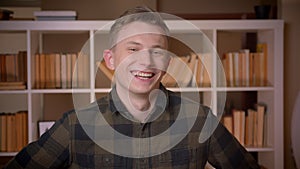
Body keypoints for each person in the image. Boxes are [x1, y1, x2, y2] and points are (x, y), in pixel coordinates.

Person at [4, 6, 260, 169]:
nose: (146, 61)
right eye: (133, 49)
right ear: (110, 59)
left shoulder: (200, 121)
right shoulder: (76, 125)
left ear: (167, 62)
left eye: (157, 51)